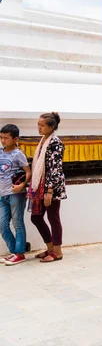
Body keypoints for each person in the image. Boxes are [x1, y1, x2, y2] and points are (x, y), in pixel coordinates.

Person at [29, 112, 67, 263]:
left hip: (52, 187)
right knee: (36, 217)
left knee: (53, 218)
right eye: (38, 124)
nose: (39, 128)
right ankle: (50, 247)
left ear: (52, 127)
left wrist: (49, 191)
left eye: (42, 125)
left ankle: (57, 251)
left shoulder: (55, 143)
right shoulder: (43, 141)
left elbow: (55, 169)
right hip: (41, 186)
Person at [0, 125, 32, 266]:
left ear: (15, 139)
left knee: (17, 223)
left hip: (15, 194)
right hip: (2, 195)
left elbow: (28, 172)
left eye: (6, 138)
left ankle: (19, 253)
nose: (3, 140)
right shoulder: (0, 152)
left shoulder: (18, 154)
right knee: (2, 225)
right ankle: (14, 251)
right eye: (1, 137)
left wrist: (22, 185)